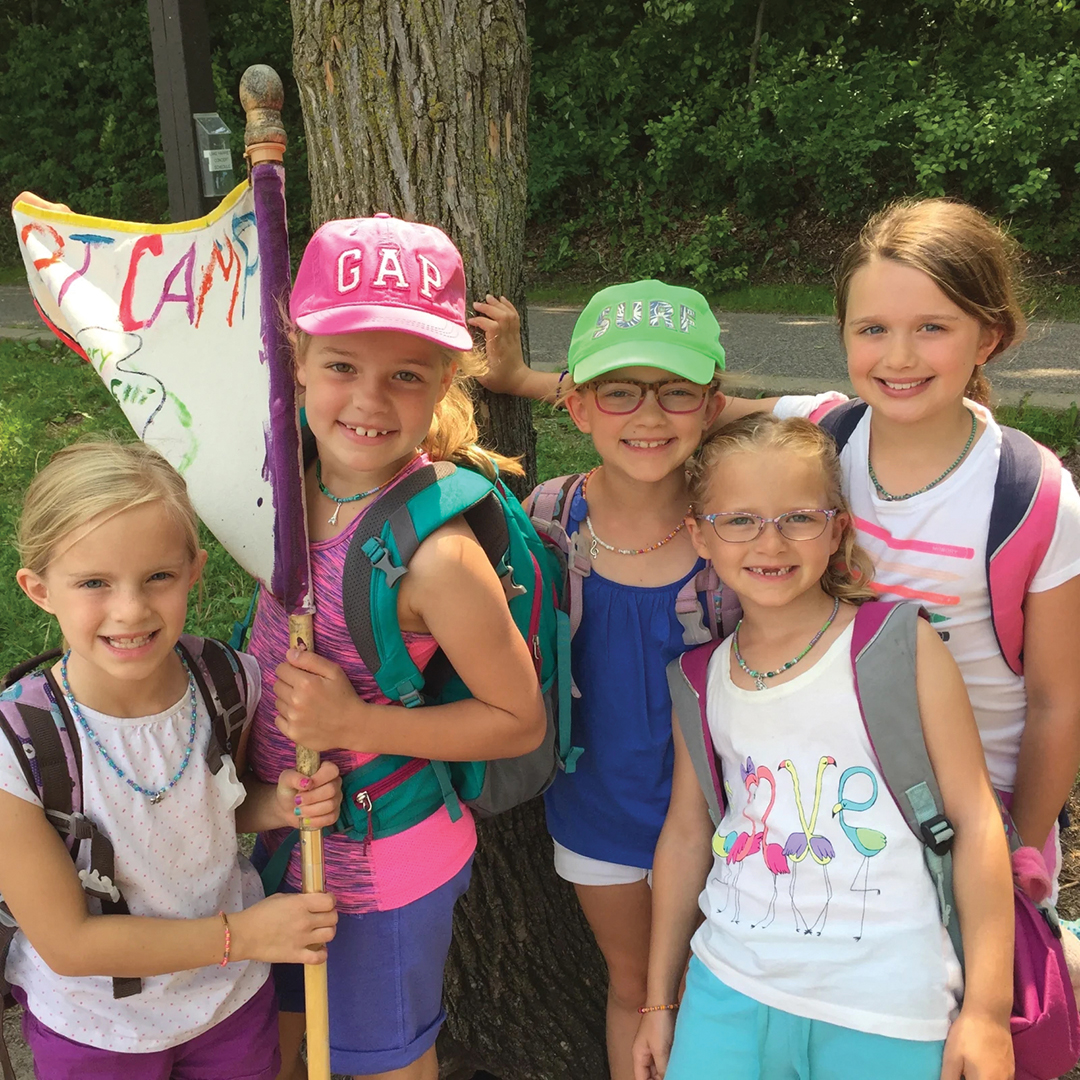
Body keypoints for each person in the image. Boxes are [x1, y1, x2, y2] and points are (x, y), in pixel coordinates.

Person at [245, 214, 547, 1080]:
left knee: (379, 1064)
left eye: (406, 377)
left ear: (446, 378)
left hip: (383, 868)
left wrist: (349, 718)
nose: (370, 402)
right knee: (297, 1047)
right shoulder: (286, 479)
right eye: (341, 366)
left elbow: (516, 720)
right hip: (287, 833)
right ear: (296, 358)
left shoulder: (437, 556)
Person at [633, 414, 1014, 1080]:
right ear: (701, 535)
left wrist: (986, 1009)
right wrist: (659, 1000)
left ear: (837, 527)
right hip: (728, 990)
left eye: (798, 518)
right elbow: (687, 837)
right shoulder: (700, 679)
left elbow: (978, 821)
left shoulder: (898, 647)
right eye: (740, 520)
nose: (770, 541)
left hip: (889, 1005)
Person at [735, 200, 1080, 886]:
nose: (898, 356)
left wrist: (1022, 847)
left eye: (932, 328)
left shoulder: (1032, 496)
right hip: (832, 809)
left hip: (976, 820)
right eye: (873, 329)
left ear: (989, 336)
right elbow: (692, 408)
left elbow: (1057, 701)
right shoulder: (820, 435)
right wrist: (523, 383)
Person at [0, 439, 340, 1080]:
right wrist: (245, 936)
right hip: (97, 1030)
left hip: (228, 1008)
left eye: (158, 575)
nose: (130, 609)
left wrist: (278, 804)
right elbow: (70, 945)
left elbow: (211, 812)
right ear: (39, 589)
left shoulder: (226, 682)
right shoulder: (18, 745)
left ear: (194, 571)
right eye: (94, 583)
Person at [473, 281, 727, 1080]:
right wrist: (524, 380)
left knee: (711, 985)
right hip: (596, 808)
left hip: (729, 814)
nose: (649, 418)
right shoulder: (547, 517)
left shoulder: (741, 521)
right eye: (619, 393)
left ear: (714, 405)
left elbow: (822, 409)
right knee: (637, 985)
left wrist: (522, 379)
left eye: (677, 393)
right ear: (577, 408)